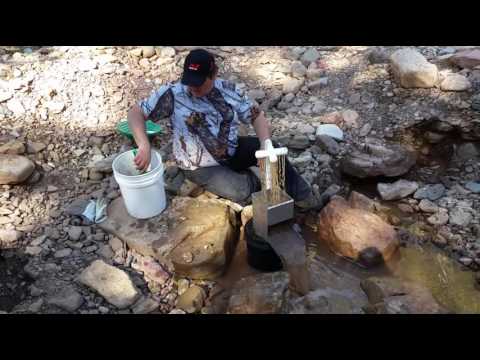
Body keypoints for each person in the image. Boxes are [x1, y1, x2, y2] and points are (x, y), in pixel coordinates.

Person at [127, 48, 321, 209]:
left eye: (200, 83)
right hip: (199, 166)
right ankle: (257, 183)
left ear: (214, 75)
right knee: (241, 192)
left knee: (275, 154)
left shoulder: (228, 90)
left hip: (231, 150)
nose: (193, 88)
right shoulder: (173, 94)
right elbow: (135, 113)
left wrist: (266, 143)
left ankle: (306, 199)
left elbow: (257, 116)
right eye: (189, 81)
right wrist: (144, 145)